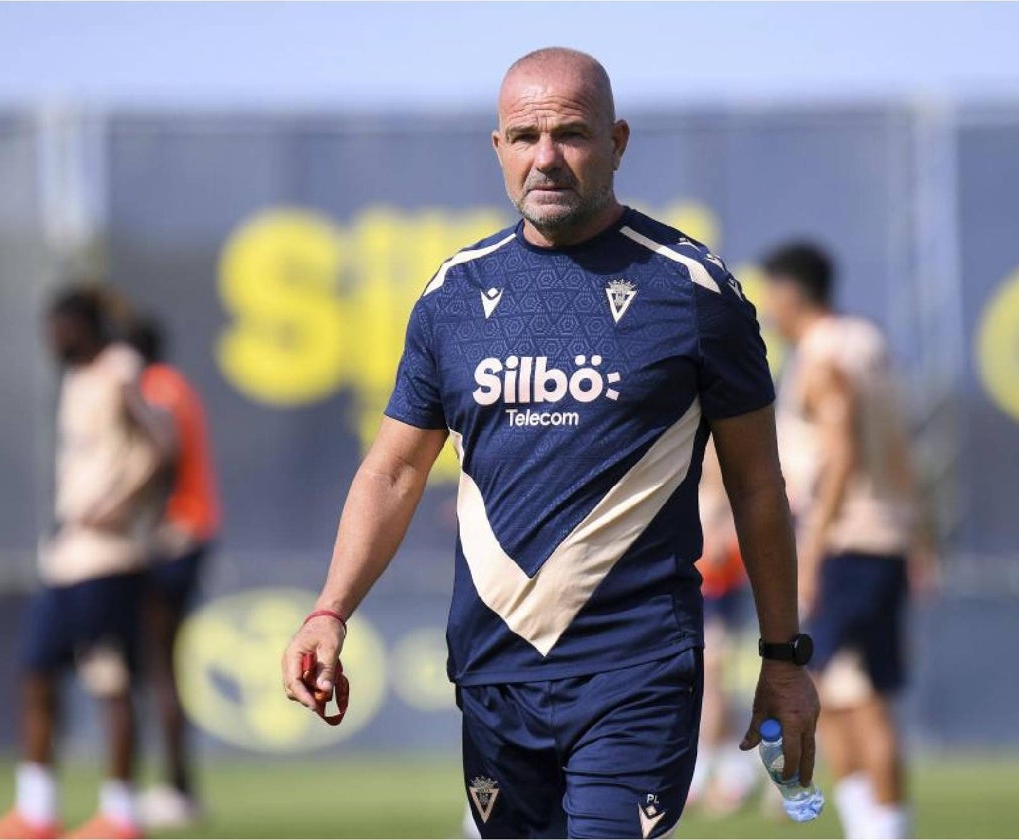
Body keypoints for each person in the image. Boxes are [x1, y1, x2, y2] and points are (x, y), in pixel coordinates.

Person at [283, 47, 819, 839]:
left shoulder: (695, 290)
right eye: (525, 136)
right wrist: (330, 610)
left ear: (618, 141)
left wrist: (783, 656)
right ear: (496, 148)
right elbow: (394, 471)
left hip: (635, 668)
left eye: (571, 134)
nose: (547, 158)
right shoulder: (450, 296)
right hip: (495, 670)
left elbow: (758, 486)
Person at [0, 286, 172, 840]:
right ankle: (36, 811)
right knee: (35, 672)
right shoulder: (76, 379)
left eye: (63, 325)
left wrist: (123, 507)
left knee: (110, 679)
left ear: (87, 325)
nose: (53, 336)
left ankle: (120, 815)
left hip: (109, 559)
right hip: (68, 557)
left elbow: (162, 442)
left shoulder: (118, 369)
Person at [762, 242, 937, 839]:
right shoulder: (869, 344)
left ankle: (883, 831)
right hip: (882, 537)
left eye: (770, 295)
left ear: (790, 293)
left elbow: (841, 454)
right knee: (840, 693)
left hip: (846, 543)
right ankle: (871, 828)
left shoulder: (825, 355)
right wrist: (920, 537)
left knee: (854, 699)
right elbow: (899, 454)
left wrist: (810, 550)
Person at [126, 316, 221, 829]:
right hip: (193, 531)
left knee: (158, 663)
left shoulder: (155, 390)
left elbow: (164, 458)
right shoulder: (176, 385)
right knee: (161, 663)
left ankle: (176, 787)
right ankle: (176, 785)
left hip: (174, 538)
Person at [686, 441, 758, 815]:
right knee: (706, 677)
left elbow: (729, 497)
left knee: (710, 675)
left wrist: (717, 532)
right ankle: (736, 770)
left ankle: (698, 775)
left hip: (715, 577)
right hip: (700, 574)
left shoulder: (716, 443)